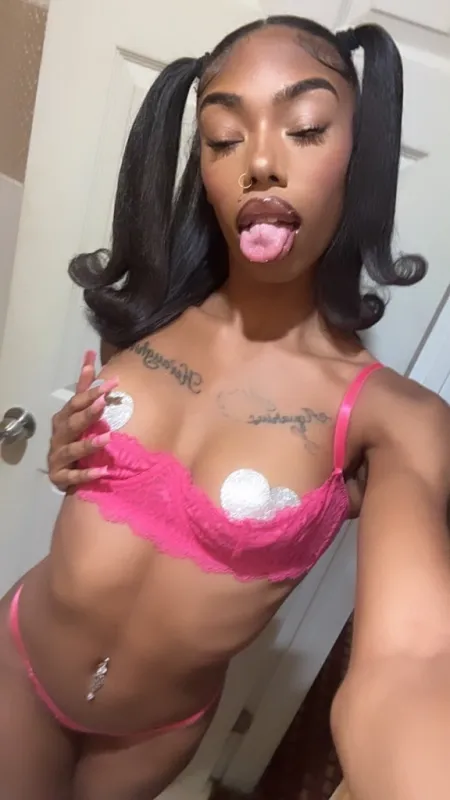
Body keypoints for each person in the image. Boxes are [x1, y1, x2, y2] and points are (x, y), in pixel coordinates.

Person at [1, 14, 449, 800]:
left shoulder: (395, 420)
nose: (261, 162)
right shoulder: (149, 312)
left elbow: (414, 658)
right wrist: (65, 455)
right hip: (20, 670)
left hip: (149, 737)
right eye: (223, 138)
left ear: (361, 156)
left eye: (305, 129)